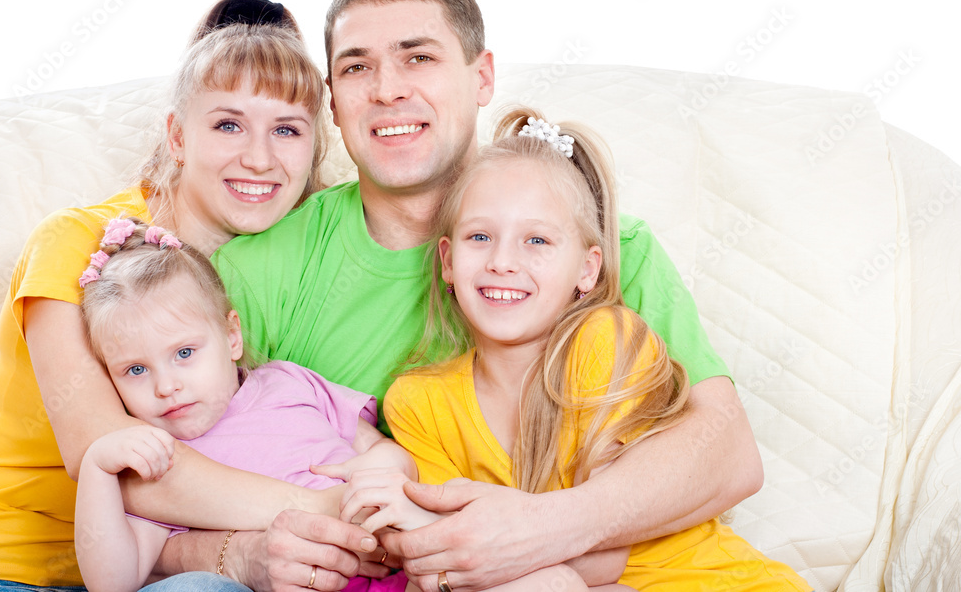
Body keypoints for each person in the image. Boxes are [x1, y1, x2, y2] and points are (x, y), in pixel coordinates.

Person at [204, 0, 763, 591]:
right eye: (357, 66)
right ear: (333, 98)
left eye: (418, 57)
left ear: (483, 76)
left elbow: (728, 454)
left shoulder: (608, 244)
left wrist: (541, 531)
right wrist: (230, 554)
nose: (388, 90)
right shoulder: (259, 271)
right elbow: (155, 458)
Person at [0, 0, 383, 590]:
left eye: (286, 129)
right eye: (228, 124)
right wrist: (343, 515)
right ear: (177, 135)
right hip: (5, 567)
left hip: (151, 566)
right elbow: (116, 461)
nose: (258, 158)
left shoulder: (278, 271)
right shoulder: (75, 242)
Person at [336, 109, 811, 591]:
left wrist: (453, 549)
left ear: (587, 271)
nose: (502, 262)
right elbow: (443, 565)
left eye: (536, 240)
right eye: (480, 237)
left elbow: (603, 554)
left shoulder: (603, 344)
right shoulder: (419, 403)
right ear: (447, 261)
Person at [74, 219, 415, 592]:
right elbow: (111, 583)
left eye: (184, 353)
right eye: (136, 369)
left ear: (231, 336)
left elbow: (385, 450)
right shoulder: (157, 460)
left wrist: (376, 478)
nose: (166, 386)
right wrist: (97, 467)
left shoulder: (289, 383)